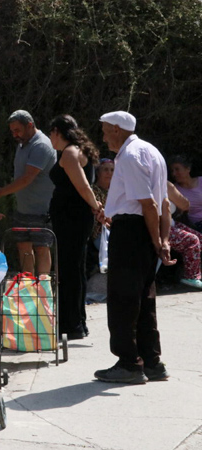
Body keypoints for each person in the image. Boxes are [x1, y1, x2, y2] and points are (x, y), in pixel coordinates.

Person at [95, 110, 173, 384]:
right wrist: (162, 240)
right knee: (143, 298)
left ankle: (129, 363)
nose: (104, 138)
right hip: (143, 230)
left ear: (117, 129)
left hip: (132, 233)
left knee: (123, 299)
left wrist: (156, 240)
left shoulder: (129, 156)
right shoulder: (152, 151)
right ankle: (151, 361)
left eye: (106, 131)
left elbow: (148, 203)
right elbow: (162, 204)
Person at [47, 114, 101, 340]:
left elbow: (83, 186)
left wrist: (97, 207)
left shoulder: (70, 153)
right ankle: (76, 321)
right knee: (74, 269)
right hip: (73, 218)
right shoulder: (78, 150)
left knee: (69, 270)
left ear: (57, 132)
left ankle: (71, 324)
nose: (50, 137)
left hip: (72, 219)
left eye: (51, 133)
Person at [0, 110, 57, 275]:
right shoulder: (22, 144)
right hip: (23, 209)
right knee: (23, 247)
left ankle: (43, 288)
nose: (15, 135)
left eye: (17, 130)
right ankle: (29, 287)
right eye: (12, 131)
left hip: (42, 210)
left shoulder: (41, 145)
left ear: (30, 126)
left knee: (41, 248)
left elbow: (27, 178)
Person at [166, 181, 202, 289]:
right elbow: (184, 205)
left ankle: (197, 273)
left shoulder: (164, 183)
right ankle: (191, 277)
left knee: (200, 237)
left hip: (171, 223)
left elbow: (185, 205)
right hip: (160, 226)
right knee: (192, 240)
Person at [170, 155, 202, 232]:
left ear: (188, 169)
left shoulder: (201, 181)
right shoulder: (173, 189)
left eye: (177, 169)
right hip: (193, 226)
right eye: (172, 171)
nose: (174, 174)